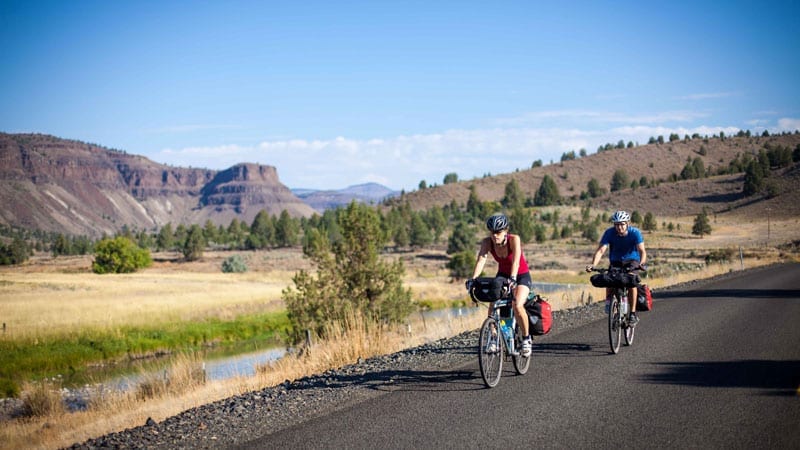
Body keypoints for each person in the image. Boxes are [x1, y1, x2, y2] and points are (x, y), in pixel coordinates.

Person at [466, 213, 534, 357]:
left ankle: (526, 339)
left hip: (521, 275)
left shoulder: (514, 239)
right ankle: (493, 338)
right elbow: (481, 260)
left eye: (498, 232)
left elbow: (516, 261)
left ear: (506, 231)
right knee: (493, 302)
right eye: (492, 232)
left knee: (517, 304)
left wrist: (514, 278)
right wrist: (473, 279)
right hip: (502, 276)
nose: (495, 236)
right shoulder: (487, 242)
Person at [586, 210, 647, 325]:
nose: (619, 227)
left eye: (622, 224)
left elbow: (642, 251)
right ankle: (611, 303)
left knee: (631, 282)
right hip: (616, 261)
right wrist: (593, 264)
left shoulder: (635, 233)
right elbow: (600, 251)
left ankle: (632, 314)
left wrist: (642, 264)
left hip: (632, 260)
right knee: (609, 280)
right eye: (617, 224)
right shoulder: (609, 233)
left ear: (627, 224)